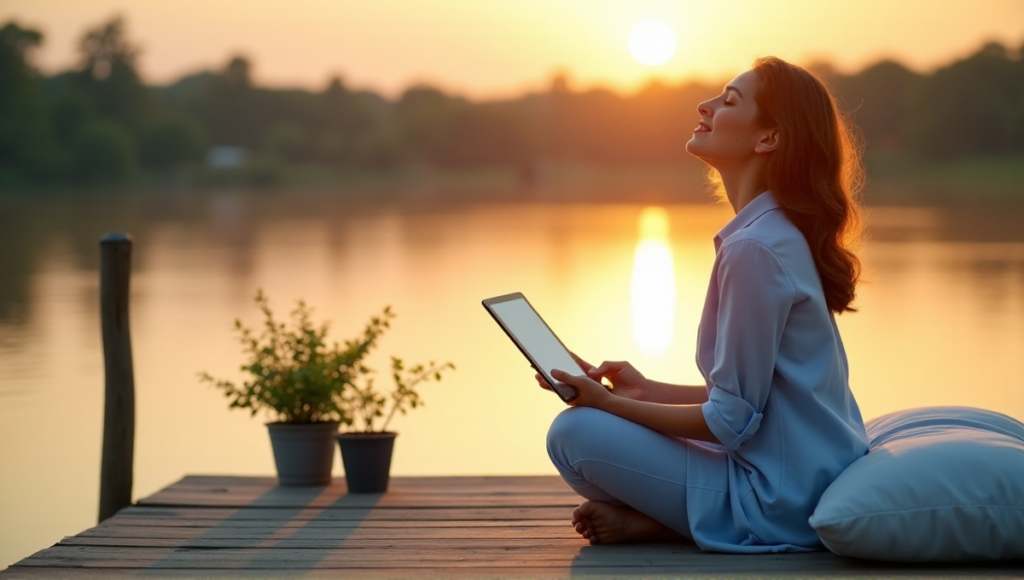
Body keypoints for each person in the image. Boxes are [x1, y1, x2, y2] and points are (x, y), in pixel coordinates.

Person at [539, 56, 869, 553]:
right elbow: (758, 402)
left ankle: (694, 523)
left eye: (730, 100)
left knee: (574, 432)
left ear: (769, 139)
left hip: (782, 499)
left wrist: (609, 404)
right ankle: (663, 522)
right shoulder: (773, 234)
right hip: (803, 473)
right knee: (596, 424)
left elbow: (731, 421)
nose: (705, 105)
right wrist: (646, 391)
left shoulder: (755, 248)